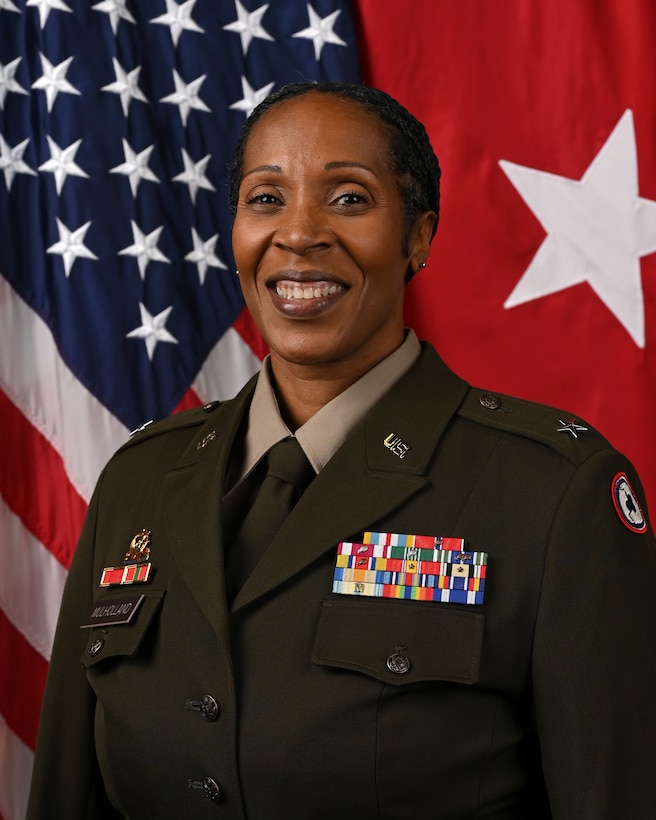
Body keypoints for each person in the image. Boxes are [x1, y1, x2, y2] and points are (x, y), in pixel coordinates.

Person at [27, 82, 656, 819]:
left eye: (350, 199)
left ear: (418, 237)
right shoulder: (140, 478)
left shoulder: (552, 491)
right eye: (266, 199)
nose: (299, 233)